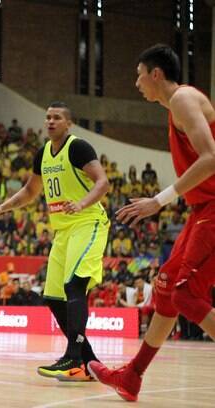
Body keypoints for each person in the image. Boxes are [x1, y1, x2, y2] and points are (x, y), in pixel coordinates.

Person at [88, 44, 215, 402]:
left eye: (139, 74)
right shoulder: (177, 106)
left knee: (186, 295)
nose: (136, 82)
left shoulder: (183, 100)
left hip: (214, 208)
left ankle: (133, 373)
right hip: (202, 209)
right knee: (166, 286)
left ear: (156, 74)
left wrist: (157, 202)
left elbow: (211, 158)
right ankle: (132, 375)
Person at [0, 101, 110, 381]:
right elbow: (30, 191)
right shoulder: (43, 154)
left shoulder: (78, 147)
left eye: (56, 118)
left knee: (74, 285)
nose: (50, 121)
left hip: (88, 223)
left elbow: (102, 182)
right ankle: (89, 364)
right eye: (48, 117)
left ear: (68, 123)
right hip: (63, 231)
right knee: (53, 297)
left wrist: (82, 203)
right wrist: (2, 208)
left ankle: (73, 359)